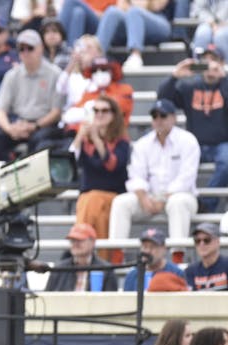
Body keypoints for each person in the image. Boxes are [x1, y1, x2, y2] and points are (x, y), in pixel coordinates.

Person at [108, 99, 200, 264]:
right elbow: (136, 175)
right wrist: (144, 198)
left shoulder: (188, 140)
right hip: (149, 198)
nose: (158, 119)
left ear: (174, 118)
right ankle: (116, 258)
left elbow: (187, 177)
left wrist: (163, 198)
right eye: (154, 116)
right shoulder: (143, 144)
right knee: (121, 203)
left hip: (180, 196)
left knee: (178, 203)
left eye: (163, 115)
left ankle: (177, 259)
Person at [158, 44, 228, 213]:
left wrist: (224, 77)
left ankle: (205, 205)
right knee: (173, 160)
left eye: (214, 60)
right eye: (205, 60)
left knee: (227, 161)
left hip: (222, 144)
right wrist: (175, 76)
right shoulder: (189, 87)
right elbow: (163, 100)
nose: (209, 65)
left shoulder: (225, 85)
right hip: (194, 144)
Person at [0, 29, 64, 163]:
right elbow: (0, 110)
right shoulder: (12, 75)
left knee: (39, 142)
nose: (25, 53)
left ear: (40, 48)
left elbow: (56, 112)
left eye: (30, 48)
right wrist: (9, 128)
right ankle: (9, 169)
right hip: (18, 122)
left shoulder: (55, 74)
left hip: (44, 124)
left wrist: (35, 126)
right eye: (21, 49)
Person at [70, 94, 131, 254]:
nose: (99, 114)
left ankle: (80, 245)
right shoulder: (85, 141)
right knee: (89, 201)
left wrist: (97, 139)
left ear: (114, 115)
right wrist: (79, 136)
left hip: (112, 197)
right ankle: (85, 247)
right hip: (89, 199)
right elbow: (70, 161)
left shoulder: (121, 142)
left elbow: (112, 164)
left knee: (92, 201)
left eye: (105, 110)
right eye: (96, 110)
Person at [95, 0, 173, 69]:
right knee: (112, 12)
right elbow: (121, 6)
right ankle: (95, 57)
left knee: (135, 11)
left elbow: (157, 6)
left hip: (159, 21)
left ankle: (135, 56)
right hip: (132, 21)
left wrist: (133, 3)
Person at [45, 223, 119, 291]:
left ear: (92, 242)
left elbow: (111, 302)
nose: (75, 244)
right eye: (72, 240)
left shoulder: (106, 270)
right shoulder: (58, 269)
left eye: (80, 240)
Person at [122, 227, 187, 291]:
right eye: (145, 247)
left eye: (152, 247)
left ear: (163, 248)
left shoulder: (176, 273)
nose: (147, 251)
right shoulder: (132, 275)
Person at [185, 222, 227, 290]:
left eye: (207, 240)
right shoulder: (190, 270)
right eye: (197, 241)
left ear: (217, 242)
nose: (202, 244)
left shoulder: (226, 265)